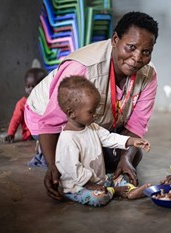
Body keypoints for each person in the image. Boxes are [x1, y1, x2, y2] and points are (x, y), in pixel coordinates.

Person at [24, 11, 159, 200]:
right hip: (48, 118)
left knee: (131, 156)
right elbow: (50, 122)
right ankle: (44, 153)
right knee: (78, 159)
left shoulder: (149, 76)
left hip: (96, 120)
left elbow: (135, 126)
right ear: (115, 40)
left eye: (146, 52)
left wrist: (125, 159)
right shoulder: (83, 68)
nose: (137, 58)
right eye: (131, 47)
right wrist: (54, 166)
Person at [55, 76, 151, 206]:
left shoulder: (92, 127)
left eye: (95, 110)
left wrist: (131, 141)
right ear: (72, 113)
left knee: (119, 177)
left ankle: (130, 191)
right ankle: (115, 191)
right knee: (98, 198)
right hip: (79, 187)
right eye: (91, 112)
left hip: (99, 180)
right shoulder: (67, 139)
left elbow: (109, 138)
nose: (95, 115)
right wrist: (91, 185)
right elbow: (74, 170)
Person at [4, 68, 47, 143]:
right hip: (30, 136)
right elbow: (15, 119)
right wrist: (10, 134)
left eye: (34, 86)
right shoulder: (22, 103)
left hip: (45, 134)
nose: (30, 89)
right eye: (28, 86)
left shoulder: (46, 101)